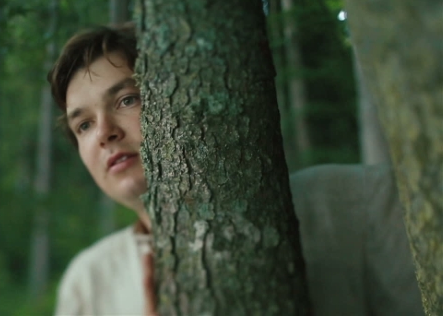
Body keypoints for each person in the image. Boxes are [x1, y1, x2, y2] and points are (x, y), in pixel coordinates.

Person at [48, 25, 423, 316]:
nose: (104, 133)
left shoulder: (354, 201)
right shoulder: (89, 281)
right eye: (83, 125)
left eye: (127, 99)